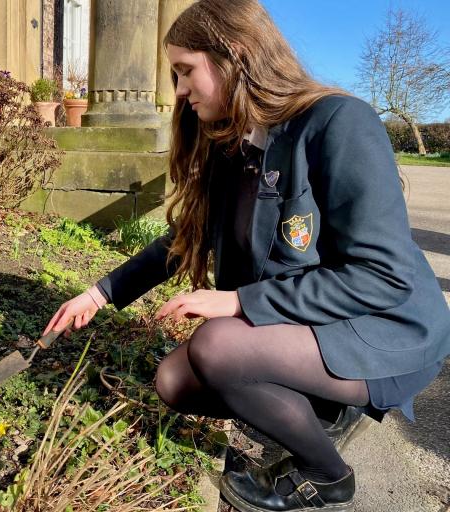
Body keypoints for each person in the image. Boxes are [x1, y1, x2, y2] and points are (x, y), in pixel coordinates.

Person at [42, 0, 450, 510]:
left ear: (234, 55)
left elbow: (382, 277)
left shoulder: (338, 123)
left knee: (217, 347)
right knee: (174, 382)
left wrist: (239, 302)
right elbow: (184, 240)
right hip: (311, 322)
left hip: (383, 326)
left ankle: (327, 476)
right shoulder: (233, 144)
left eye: (186, 70)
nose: (180, 90)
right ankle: (322, 405)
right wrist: (99, 293)